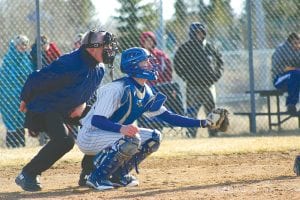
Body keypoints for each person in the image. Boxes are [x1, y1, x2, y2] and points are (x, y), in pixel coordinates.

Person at [76, 47, 225, 190]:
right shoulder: (117, 88)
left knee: (154, 137)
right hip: (90, 135)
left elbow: (169, 117)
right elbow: (97, 120)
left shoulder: (145, 90)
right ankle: (96, 177)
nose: (150, 64)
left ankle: (118, 175)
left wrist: (204, 122)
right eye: (144, 61)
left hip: (110, 135)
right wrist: (122, 129)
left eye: (149, 61)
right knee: (132, 138)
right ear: (133, 65)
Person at [14, 29, 118, 192]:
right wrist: (25, 99)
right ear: (91, 48)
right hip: (45, 107)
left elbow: (85, 91)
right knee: (64, 141)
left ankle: (89, 172)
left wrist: (81, 104)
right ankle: (27, 174)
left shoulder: (99, 68)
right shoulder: (71, 63)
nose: (110, 50)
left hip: (67, 107)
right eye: (106, 46)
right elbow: (36, 78)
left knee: (101, 123)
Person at [173, 22, 224, 137]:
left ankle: (214, 133)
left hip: (209, 85)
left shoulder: (210, 46)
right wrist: (186, 77)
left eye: (201, 32)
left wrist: (216, 75)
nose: (199, 35)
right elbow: (177, 64)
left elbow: (220, 62)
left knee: (212, 110)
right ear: (191, 34)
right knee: (192, 111)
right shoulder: (185, 48)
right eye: (196, 32)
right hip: (193, 86)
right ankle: (191, 135)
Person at [0, 35, 34, 148]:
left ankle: (21, 145)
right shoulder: (8, 60)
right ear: (15, 46)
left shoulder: (26, 59)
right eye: (20, 45)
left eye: (25, 45)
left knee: (21, 122)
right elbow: (6, 79)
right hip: (9, 97)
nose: (23, 47)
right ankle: (11, 146)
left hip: (23, 96)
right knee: (11, 122)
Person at [271, 32, 300, 116]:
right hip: (279, 79)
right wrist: (294, 69)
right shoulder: (281, 50)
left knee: (296, 74)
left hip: (294, 77)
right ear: (289, 42)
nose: (297, 45)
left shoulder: (297, 51)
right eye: (295, 43)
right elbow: (279, 68)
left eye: (299, 43)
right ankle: (291, 105)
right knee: (296, 74)